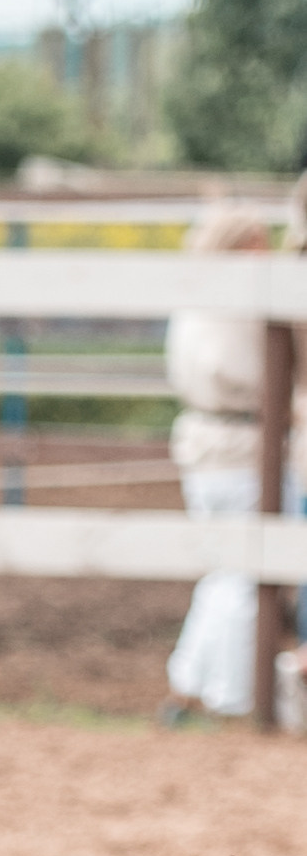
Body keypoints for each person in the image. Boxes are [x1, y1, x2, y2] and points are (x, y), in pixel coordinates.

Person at [159, 204, 294, 723]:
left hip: (205, 444)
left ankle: (188, 683)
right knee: (248, 574)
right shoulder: (245, 300)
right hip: (242, 447)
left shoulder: (194, 298)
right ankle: (236, 696)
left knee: (222, 569)